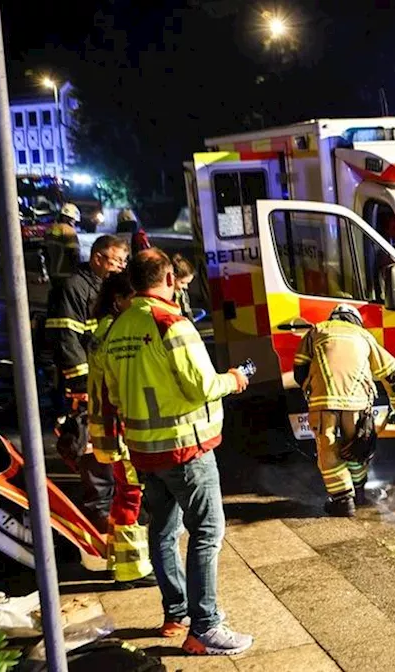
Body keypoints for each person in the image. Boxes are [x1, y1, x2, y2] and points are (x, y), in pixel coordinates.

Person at [100, 248, 254, 655]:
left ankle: (176, 613)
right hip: (186, 448)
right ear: (169, 279)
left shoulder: (118, 328)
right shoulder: (172, 323)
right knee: (207, 532)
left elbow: (114, 394)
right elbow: (201, 386)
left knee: (163, 531)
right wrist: (234, 380)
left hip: (145, 452)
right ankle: (205, 627)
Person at [46, 234, 130, 533]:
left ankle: (112, 517)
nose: (121, 266)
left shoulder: (105, 288)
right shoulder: (73, 288)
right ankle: (100, 525)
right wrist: (81, 383)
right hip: (86, 389)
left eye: (124, 261)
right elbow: (66, 338)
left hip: (105, 386)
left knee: (109, 453)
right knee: (94, 455)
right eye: (116, 260)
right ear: (97, 258)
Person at [293, 303, 395, 517]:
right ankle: (359, 491)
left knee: (327, 448)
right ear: (355, 321)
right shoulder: (364, 336)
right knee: (357, 446)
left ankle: (343, 500)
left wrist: (311, 386)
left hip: (323, 400)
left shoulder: (316, 330)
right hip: (357, 402)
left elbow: (299, 369)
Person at [86, 271, 156, 589]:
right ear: (118, 301)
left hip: (107, 427)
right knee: (130, 495)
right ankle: (132, 571)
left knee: (121, 494)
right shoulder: (116, 332)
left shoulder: (103, 329)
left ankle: (118, 561)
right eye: (133, 298)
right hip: (120, 429)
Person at [44, 202, 83, 285]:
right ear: (69, 218)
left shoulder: (51, 229)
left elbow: (45, 252)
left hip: (53, 273)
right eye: (73, 219)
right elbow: (74, 253)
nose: (74, 222)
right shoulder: (69, 230)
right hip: (66, 274)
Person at [171, 253, 196, 318]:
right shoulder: (165, 295)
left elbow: (187, 311)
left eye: (188, 283)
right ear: (172, 277)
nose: (186, 287)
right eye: (182, 282)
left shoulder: (182, 293)